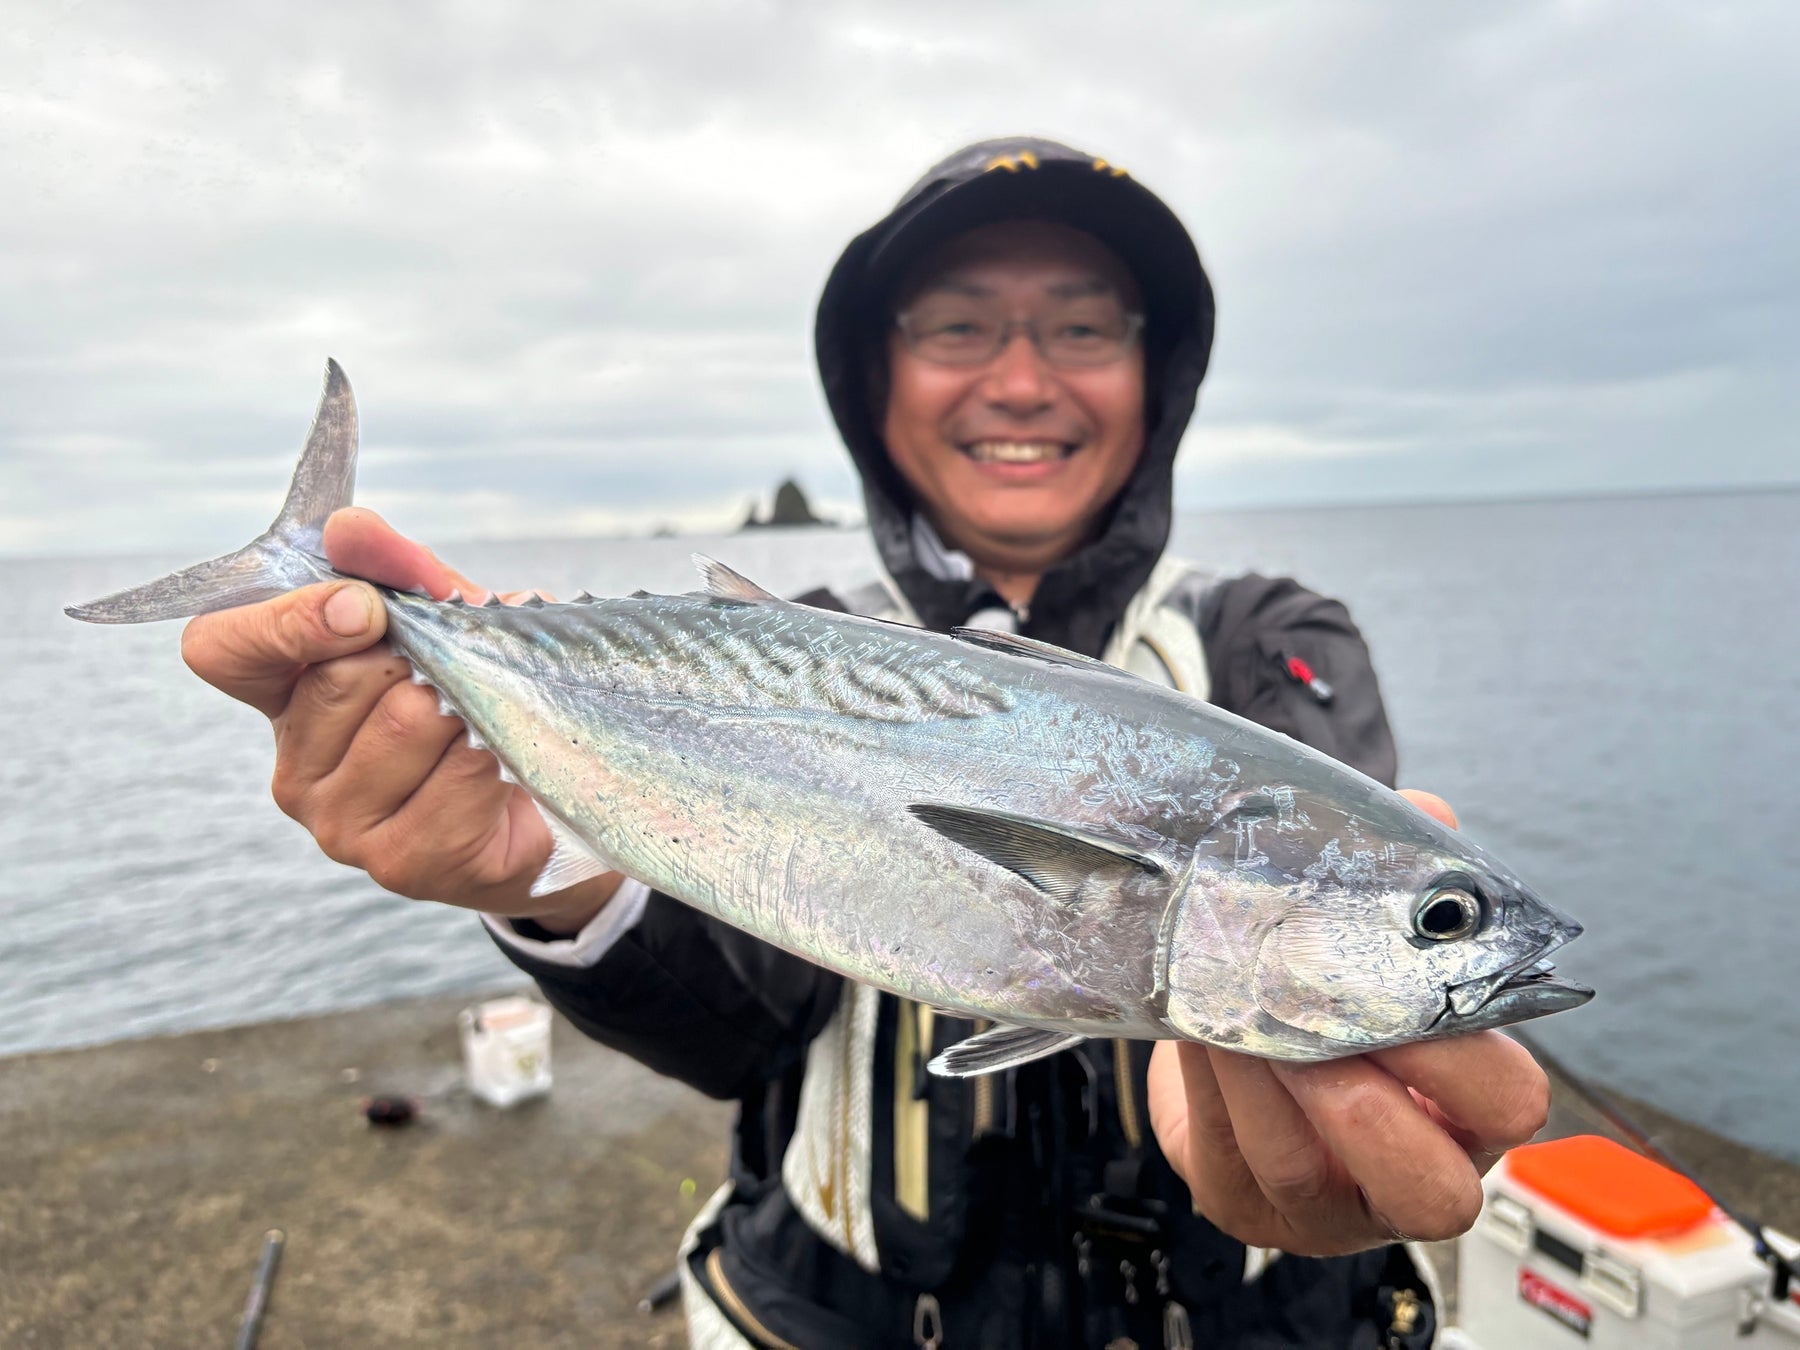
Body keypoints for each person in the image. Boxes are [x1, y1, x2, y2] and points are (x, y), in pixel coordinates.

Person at [181, 137, 1550, 1347]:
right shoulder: (812, 629)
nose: (1021, 379)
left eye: (1083, 327)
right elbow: (741, 1021)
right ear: (874, 378)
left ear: (1157, 371)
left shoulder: (1268, 642)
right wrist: (546, 876)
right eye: (958, 327)